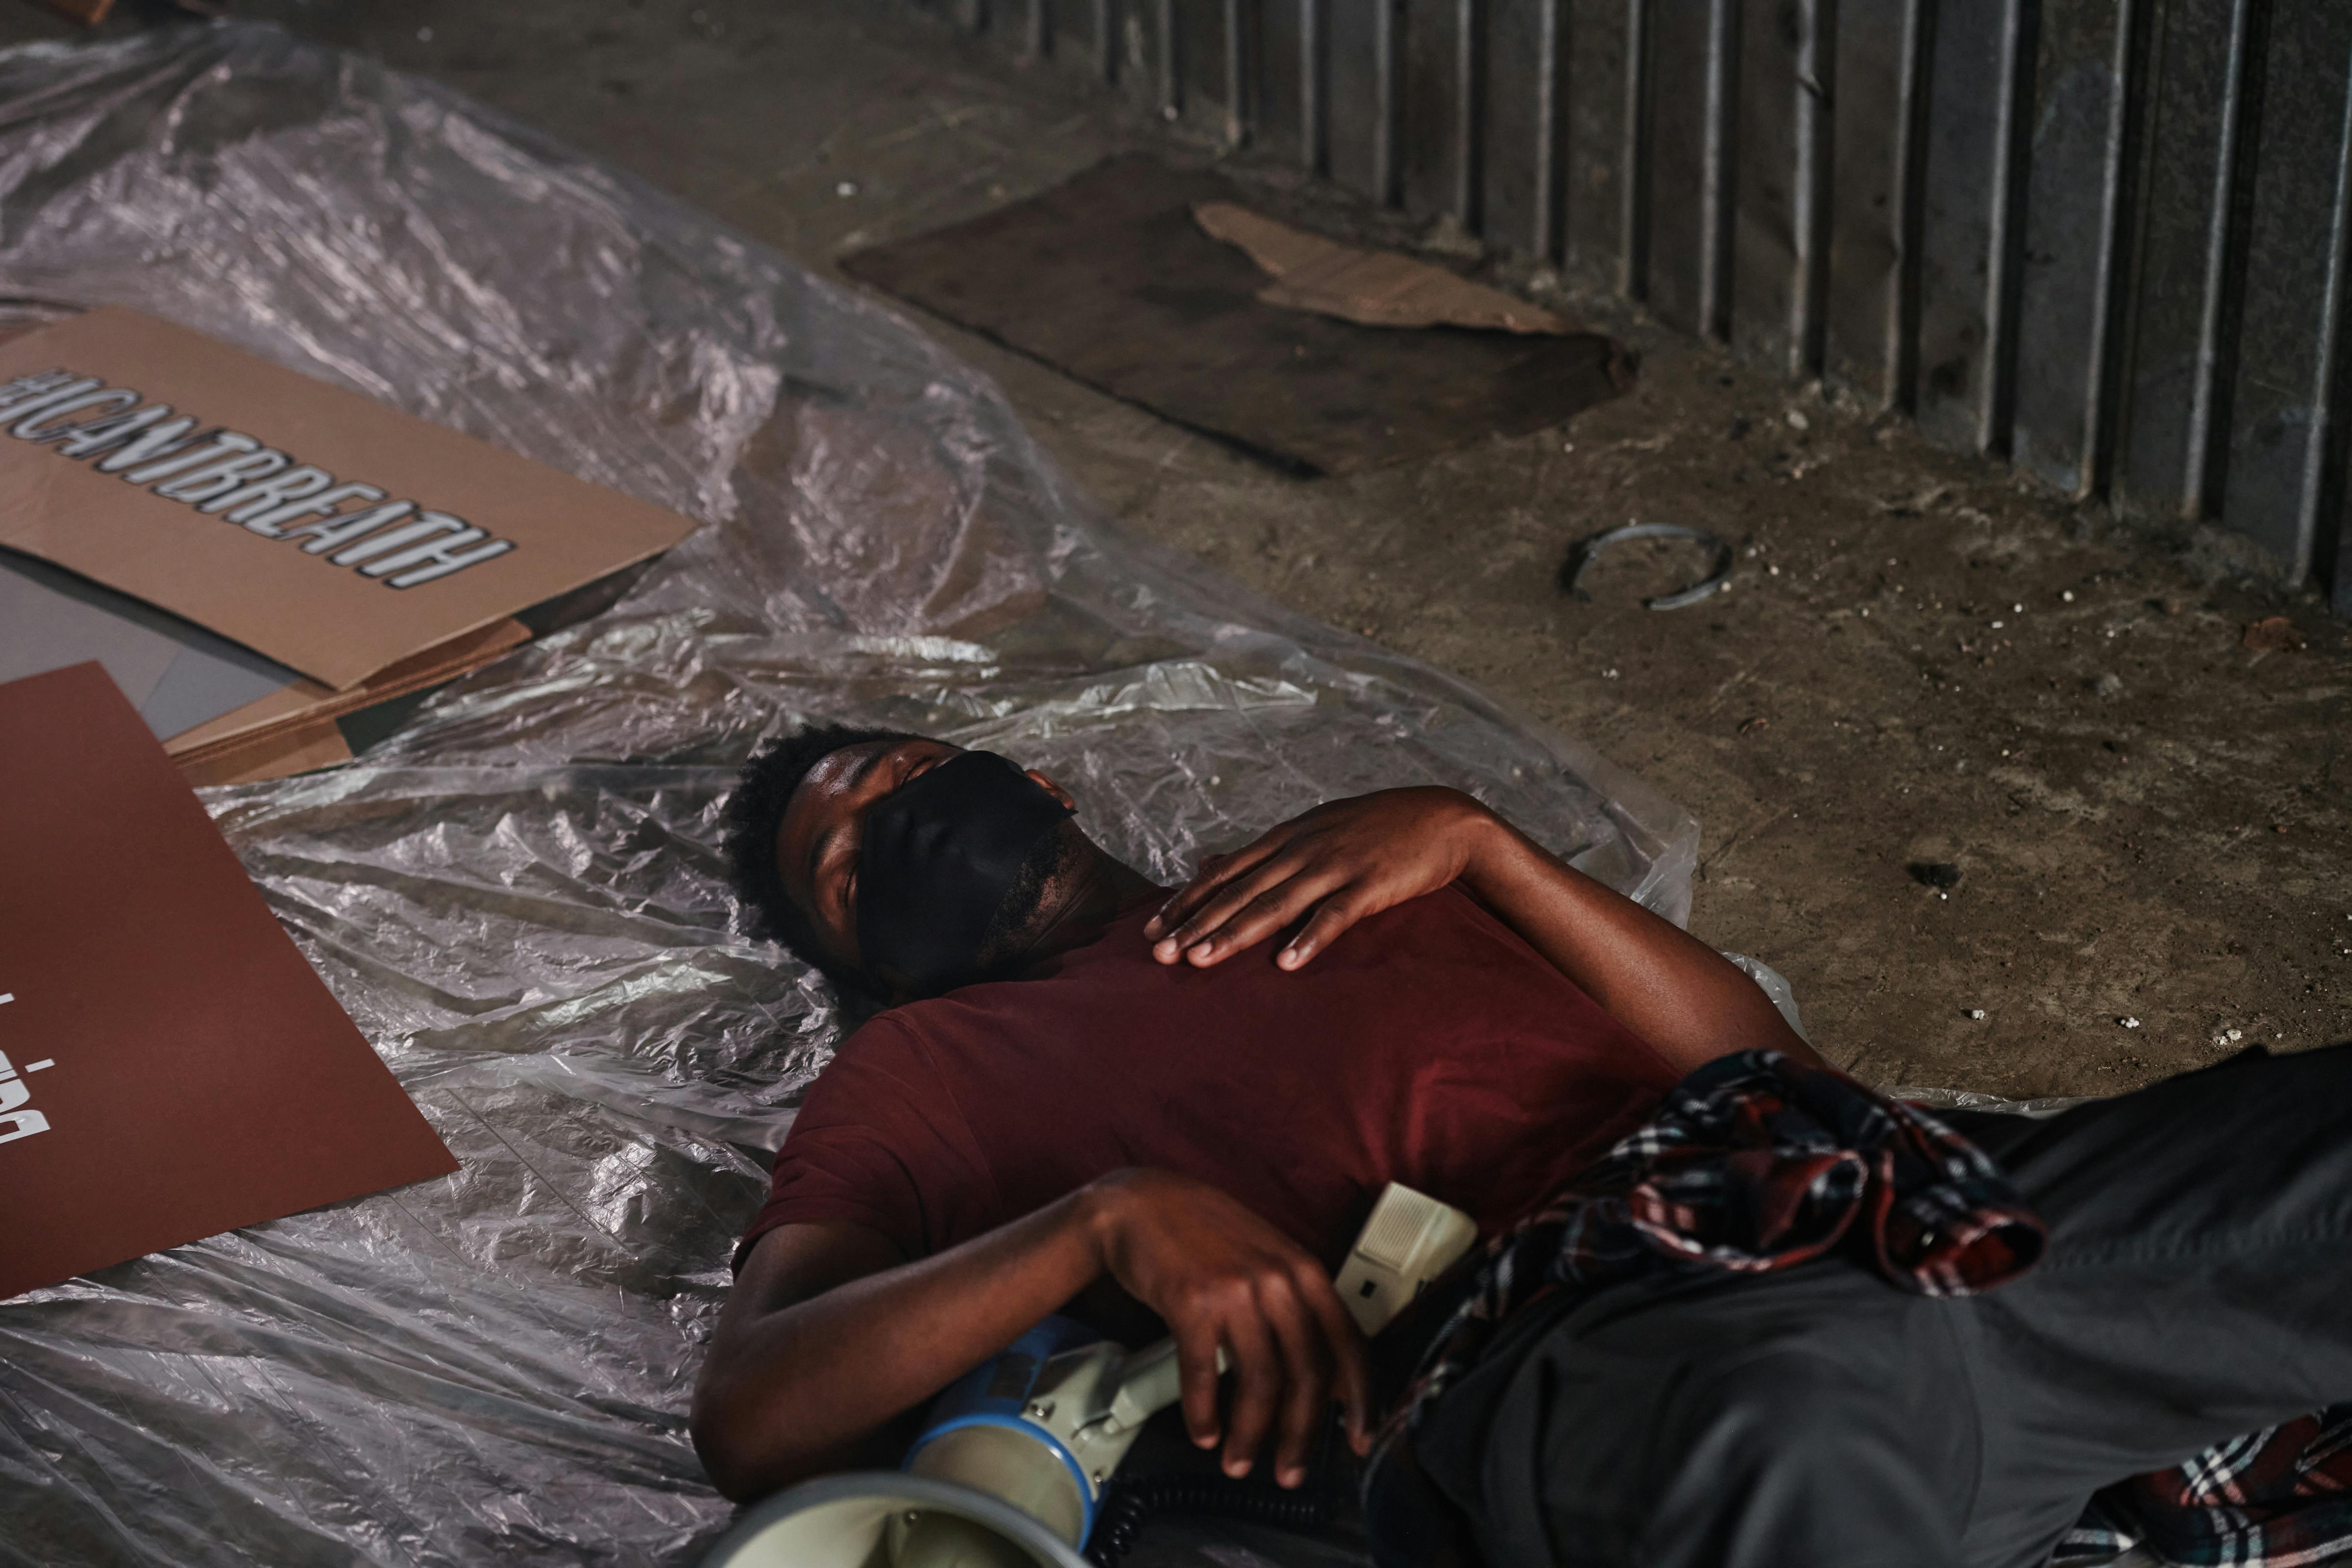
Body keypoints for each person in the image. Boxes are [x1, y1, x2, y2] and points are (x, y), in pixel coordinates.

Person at [690, 725, 2352, 1568]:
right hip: (1587, 1341)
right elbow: (757, 1412)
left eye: (903, 774)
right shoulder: (927, 1067)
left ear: (1038, 779)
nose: (896, 821)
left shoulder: (1340, 866)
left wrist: (1482, 848)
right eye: (850, 864)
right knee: (1798, 1399)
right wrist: (1098, 1225)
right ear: (868, 965)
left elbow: (1780, 1074)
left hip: (1889, 1205)